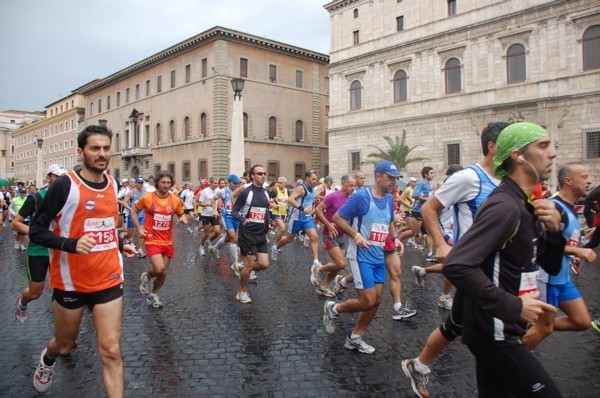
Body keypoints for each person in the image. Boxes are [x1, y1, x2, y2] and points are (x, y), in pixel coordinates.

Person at [441, 122, 565, 397]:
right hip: (494, 332)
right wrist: (513, 304)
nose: (553, 153)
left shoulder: (525, 204)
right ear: (518, 156)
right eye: (543, 146)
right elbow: (457, 265)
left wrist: (555, 232)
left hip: (504, 328)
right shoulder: (505, 206)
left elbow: (550, 266)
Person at [28, 125, 137, 396]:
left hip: (109, 278)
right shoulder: (66, 185)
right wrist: (71, 244)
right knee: (64, 345)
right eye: (95, 148)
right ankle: (48, 358)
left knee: (112, 351)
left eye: (106, 148)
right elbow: (36, 230)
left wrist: (121, 244)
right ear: (81, 152)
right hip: (70, 283)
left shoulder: (112, 184)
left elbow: (106, 225)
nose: (102, 154)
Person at [402, 122, 506, 397]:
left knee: (456, 325)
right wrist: (440, 242)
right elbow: (429, 208)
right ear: (493, 146)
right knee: (496, 335)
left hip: (500, 268)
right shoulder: (469, 178)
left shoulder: (509, 180)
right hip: (475, 267)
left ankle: (419, 365)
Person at [322, 161, 401, 354]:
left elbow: (389, 221)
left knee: (377, 300)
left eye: (395, 178)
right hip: (360, 256)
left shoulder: (390, 199)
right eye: (390, 177)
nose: (393, 181)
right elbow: (338, 218)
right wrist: (356, 236)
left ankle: (355, 337)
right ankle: (333, 309)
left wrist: (396, 238)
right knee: (367, 300)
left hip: (378, 255)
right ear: (378, 176)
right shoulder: (361, 197)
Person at [523, 162, 596, 348]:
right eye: (584, 177)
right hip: (547, 278)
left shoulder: (570, 207)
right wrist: (578, 250)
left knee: (582, 321)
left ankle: (533, 327)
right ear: (568, 180)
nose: (589, 181)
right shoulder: (553, 208)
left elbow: (565, 239)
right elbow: (540, 245)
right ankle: (512, 367)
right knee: (543, 329)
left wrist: (574, 255)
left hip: (563, 278)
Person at [13, 164, 67, 323]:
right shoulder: (36, 198)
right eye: (57, 177)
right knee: (36, 292)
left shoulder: (68, 198)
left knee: (63, 291)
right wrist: (38, 233)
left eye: (63, 177)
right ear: (49, 177)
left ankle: (62, 333)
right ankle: (22, 302)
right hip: (39, 251)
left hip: (59, 250)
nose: (61, 180)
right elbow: (15, 223)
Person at [136, 170, 187, 308]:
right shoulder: (147, 198)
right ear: (157, 183)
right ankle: (146, 276)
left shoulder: (175, 200)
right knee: (158, 268)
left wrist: (183, 218)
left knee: (164, 271)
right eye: (163, 182)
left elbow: (181, 214)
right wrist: (139, 228)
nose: (166, 185)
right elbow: (133, 211)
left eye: (169, 183)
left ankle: (153, 294)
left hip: (167, 240)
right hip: (151, 238)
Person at [231, 165, 271, 303]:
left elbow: (266, 211)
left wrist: (269, 222)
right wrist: (243, 219)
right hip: (247, 234)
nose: (263, 176)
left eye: (264, 173)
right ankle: (241, 291)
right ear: (252, 176)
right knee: (249, 265)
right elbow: (234, 211)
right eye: (260, 173)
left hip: (261, 234)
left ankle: (243, 270)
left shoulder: (266, 192)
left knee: (264, 264)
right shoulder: (246, 192)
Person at [313, 175, 356, 297]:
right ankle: (319, 270)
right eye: (350, 185)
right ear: (343, 184)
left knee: (338, 266)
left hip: (343, 236)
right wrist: (328, 224)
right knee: (341, 263)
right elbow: (318, 210)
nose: (353, 188)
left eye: (354, 186)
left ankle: (324, 286)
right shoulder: (333, 196)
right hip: (330, 235)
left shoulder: (351, 199)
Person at [272, 170, 321, 269]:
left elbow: (307, 200)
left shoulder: (311, 189)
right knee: (289, 239)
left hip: (307, 218)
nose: (315, 181)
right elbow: (290, 199)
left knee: (314, 237)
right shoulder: (301, 188)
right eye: (313, 179)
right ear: (307, 178)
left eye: (316, 179)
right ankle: (276, 247)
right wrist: (303, 209)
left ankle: (316, 262)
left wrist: (315, 200)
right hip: (297, 218)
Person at [400, 167, 435, 260]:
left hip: (426, 211)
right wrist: (428, 199)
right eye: (431, 173)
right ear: (425, 174)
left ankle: (430, 254)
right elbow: (415, 195)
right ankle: (397, 240)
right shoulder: (420, 183)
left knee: (429, 233)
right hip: (418, 211)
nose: (433, 174)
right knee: (413, 231)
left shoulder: (428, 184)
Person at [210, 174, 243, 268]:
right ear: (229, 182)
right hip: (227, 217)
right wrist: (215, 210)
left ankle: (214, 248)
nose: (236, 185)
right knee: (234, 239)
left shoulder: (239, 191)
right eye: (234, 183)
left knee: (227, 238)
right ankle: (236, 264)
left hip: (237, 217)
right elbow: (213, 200)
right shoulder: (223, 191)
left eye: (237, 183)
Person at [194, 177, 223, 256]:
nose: (216, 185)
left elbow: (220, 200)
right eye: (215, 183)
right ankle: (201, 247)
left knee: (217, 231)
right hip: (205, 214)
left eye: (217, 183)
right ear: (210, 183)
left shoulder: (218, 191)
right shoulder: (204, 192)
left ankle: (209, 240)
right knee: (206, 233)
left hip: (214, 213)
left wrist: (219, 206)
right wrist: (209, 204)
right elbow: (200, 203)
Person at [124, 177, 146, 257]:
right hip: (132, 216)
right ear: (136, 183)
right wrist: (131, 209)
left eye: (142, 183)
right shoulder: (131, 192)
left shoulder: (144, 193)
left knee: (142, 233)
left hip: (141, 216)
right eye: (139, 183)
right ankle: (127, 239)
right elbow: (124, 202)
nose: (141, 184)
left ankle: (140, 250)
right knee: (130, 234)